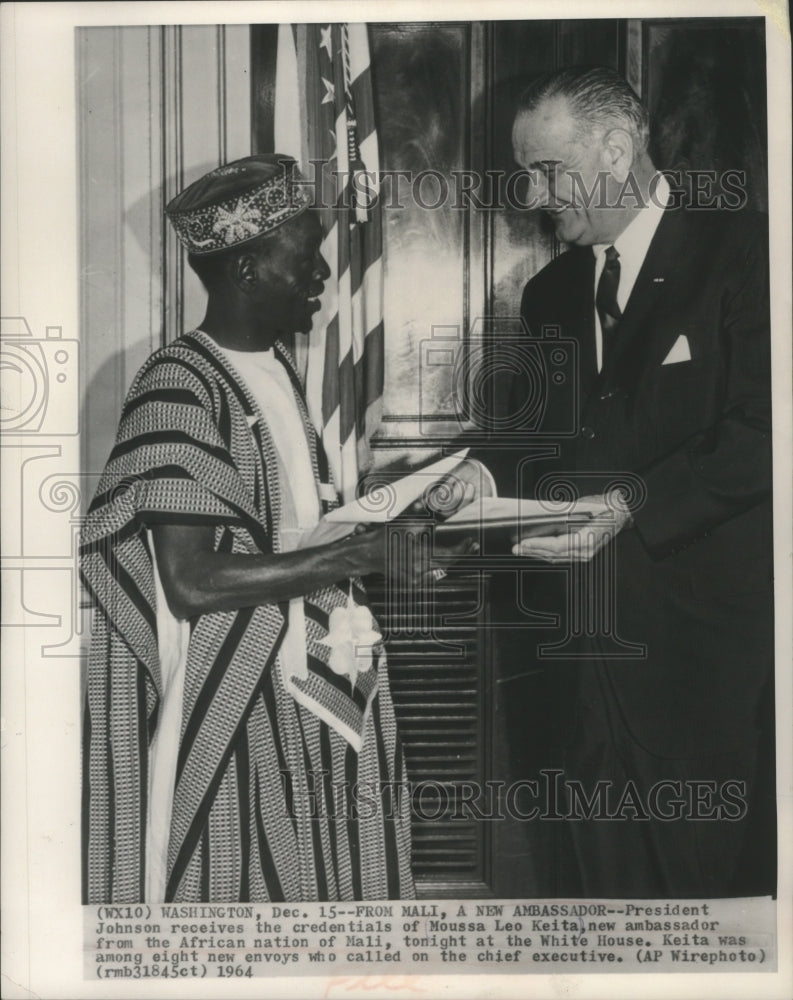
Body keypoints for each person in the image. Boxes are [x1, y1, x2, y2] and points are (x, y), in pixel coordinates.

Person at [80, 154, 474, 904]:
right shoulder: (179, 383)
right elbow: (193, 581)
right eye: (307, 254)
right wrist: (362, 551)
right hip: (238, 710)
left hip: (306, 686)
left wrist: (400, 519)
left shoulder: (273, 371)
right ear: (248, 269)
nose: (324, 271)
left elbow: (286, 533)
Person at [505, 66, 775, 898]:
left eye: (546, 169)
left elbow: (768, 430)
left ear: (617, 150)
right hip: (580, 676)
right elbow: (543, 450)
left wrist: (627, 506)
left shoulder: (750, 250)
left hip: (707, 679)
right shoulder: (549, 295)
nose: (531, 193)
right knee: (601, 924)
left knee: (720, 929)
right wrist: (469, 481)